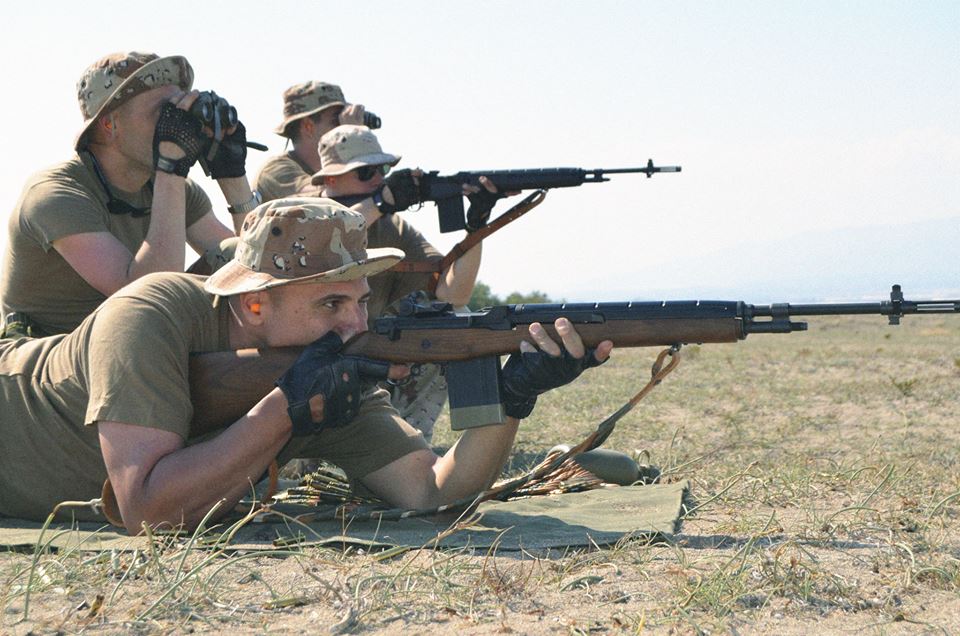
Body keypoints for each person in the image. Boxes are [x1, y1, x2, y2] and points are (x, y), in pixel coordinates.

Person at [0, 199, 611, 534]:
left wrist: (508, 402)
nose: (357, 326)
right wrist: (282, 413)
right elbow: (146, 513)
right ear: (254, 302)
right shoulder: (151, 313)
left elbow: (431, 491)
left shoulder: (325, 365)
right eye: (330, 302)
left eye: (363, 301)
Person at [0, 51, 258, 337]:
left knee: (234, 255)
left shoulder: (171, 190)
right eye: (164, 113)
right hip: (48, 360)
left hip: (126, 342)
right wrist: (171, 166)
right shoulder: (56, 194)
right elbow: (149, 292)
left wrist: (232, 175)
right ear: (110, 125)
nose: (176, 124)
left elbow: (258, 264)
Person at [312, 124, 505, 442]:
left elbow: (452, 293)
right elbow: (323, 243)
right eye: (366, 172)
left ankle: (406, 445)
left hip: (368, 361)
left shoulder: (393, 226)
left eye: (383, 170)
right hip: (316, 371)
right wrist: (380, 202)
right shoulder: (303, 213)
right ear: (330, 178)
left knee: (448, 321)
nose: (379, 179)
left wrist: (476, 227)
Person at [252, 81, 367, 203]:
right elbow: (329, 197)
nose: (345, 129)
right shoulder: (275, 171)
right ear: (308, 127)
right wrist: (353, 142)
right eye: (336, 121)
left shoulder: (335, 173)